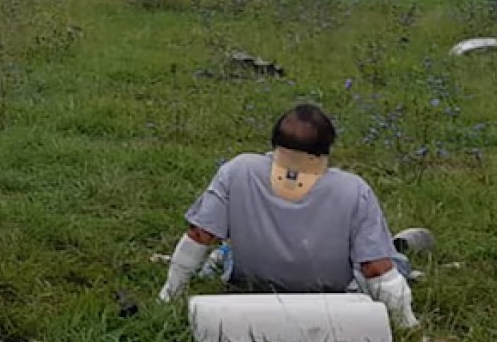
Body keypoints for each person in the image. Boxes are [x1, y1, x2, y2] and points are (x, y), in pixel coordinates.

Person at [158, 104, 421, 330]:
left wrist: (169, 296)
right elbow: (376, 269)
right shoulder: (354, 190)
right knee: (393, 261)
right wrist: (409, 327)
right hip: (330, 292)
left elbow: (200, 235)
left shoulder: (238, 170)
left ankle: (219, 257)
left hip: (250, 282)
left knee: (225, 251)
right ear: (326, 148)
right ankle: (402, 246)